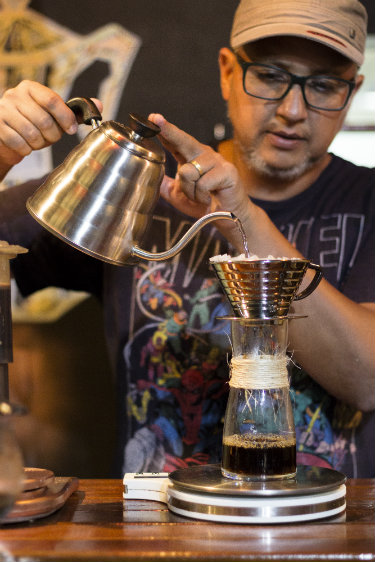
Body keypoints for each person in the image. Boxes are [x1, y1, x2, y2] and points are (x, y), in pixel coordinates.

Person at [0, 0, 373, 477]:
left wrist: (239, 217)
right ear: (226, 72)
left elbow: (366, 379)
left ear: (353, 90)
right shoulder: (139, 189)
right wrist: (3, 153)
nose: (293, 109)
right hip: (157, 537)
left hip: (324, 530)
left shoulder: (367, 203)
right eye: (270, 76)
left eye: (324, 84)